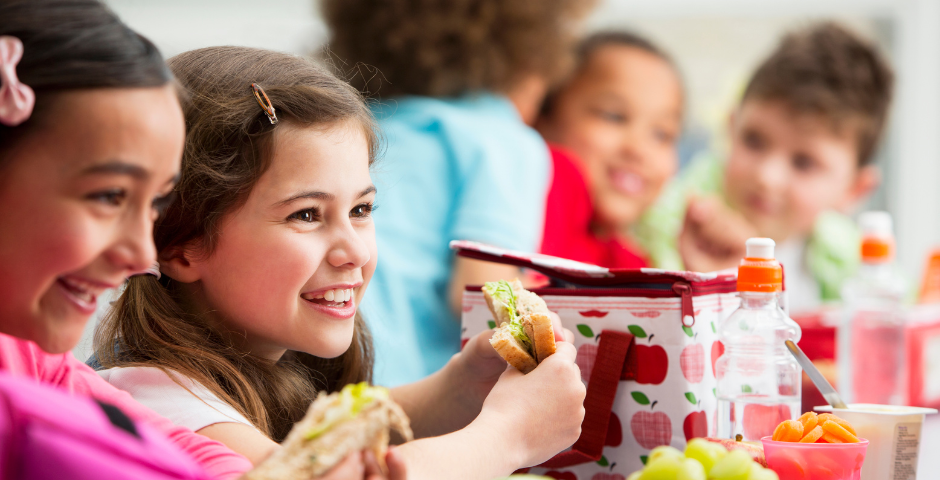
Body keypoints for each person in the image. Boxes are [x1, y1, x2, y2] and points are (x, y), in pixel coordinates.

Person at [92, 46, 586, 480]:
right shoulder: (154, 399)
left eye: (361, 210)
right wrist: (508, 437)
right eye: (306, 215)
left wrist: (462, 387)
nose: (356, 251)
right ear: (180, 247)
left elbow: (342, 443)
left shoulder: (264, 364)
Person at [0, 1, 251, 478]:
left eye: (156, 203)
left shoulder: (26, 353)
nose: (141, 255)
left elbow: (160, 442)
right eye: (110, 196)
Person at [322, 0, 594, 385]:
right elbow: (480, 290)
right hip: (397, 383)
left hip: (315, 361)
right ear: (528, 57)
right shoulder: (501, 139)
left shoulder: (360, 124)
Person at [635, 22, 892, 312]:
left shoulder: (846, 260)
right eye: (754, 140)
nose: (767, 176)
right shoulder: (662, 225)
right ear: (731, 129)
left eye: (803, 162)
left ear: (854, 190)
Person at [536, 32, 683, 268]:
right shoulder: (543, 188)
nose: (638, 150)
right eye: (613, 116)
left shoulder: (629, 261)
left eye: (662, 133)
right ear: (541, 115)